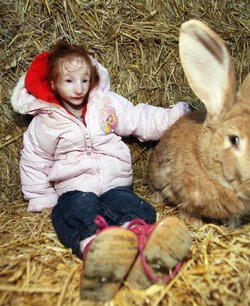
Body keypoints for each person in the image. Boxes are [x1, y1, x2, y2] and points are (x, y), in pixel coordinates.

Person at [10, 41, 192, 301]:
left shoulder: (105, 103)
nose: (79, 88)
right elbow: (34, 159)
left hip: (114, 182)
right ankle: (98, 249)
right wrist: (40, 197)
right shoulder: (46, 121)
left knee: (131, 204)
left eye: (84, 80)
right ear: (53, 83)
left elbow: (138, 118)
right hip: (74, 187)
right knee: (74, 210)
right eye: (69, 81)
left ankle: (138, 237)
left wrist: (172, 118)